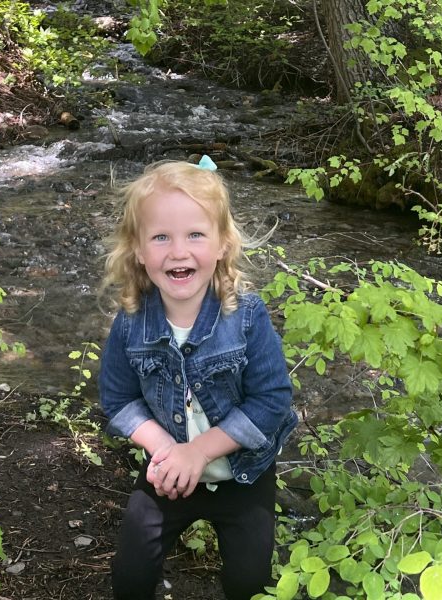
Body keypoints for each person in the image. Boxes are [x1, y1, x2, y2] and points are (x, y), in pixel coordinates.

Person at [99, 156, 297, 600]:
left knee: (249, 580)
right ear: (138, 249)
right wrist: (168, 450)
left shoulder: (246, 317)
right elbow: (118, 398)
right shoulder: (131, 323)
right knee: (130, 572)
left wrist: (199, 453)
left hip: (244, 474)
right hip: (169, 472)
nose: (178, 251)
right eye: (161, 237)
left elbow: (272, 401)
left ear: (223, 244)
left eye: (195, 235)